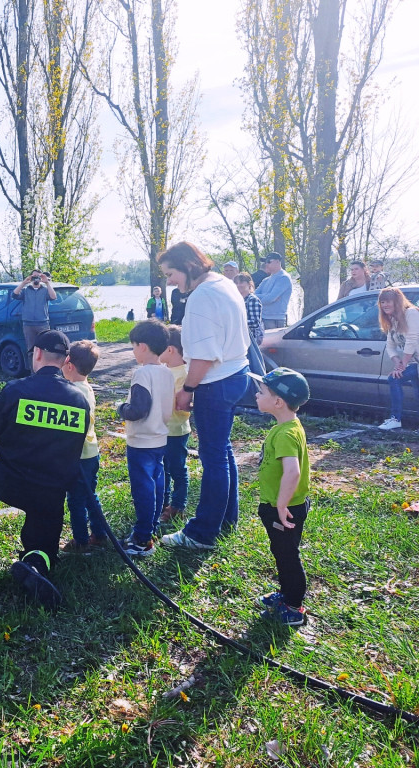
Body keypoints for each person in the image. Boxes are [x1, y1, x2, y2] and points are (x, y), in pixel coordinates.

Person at [0, 329, 91, 610]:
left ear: (36, 354)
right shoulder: (79, 400)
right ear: (65, 361)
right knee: (41, 548)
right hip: (51, 495)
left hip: (10, 483)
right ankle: (35, 565)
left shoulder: (16, 390)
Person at [156, 242, 249, 551]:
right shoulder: (224, 284)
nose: (169, 281)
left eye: (170, 273)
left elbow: (205, 356)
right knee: (222, 452)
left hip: (215, 382)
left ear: (188, 266)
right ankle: (225, 519)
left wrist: (188, 389)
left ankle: (202, 533)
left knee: (213, 459)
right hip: (235, 374)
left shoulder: (202, 297)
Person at [250, 367, 312, 627]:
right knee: (281, 551)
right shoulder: (288, 425)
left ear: (278, 402)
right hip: (283, 506)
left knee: (287, 555)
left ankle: (294, 607)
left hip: (284, 509)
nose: (256, 394)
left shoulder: (286, 433)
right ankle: (286, 594)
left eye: (261, 391)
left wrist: (281, 504)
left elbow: (292, 472)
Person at [116, 319, 173, 556]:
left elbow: (138, 410)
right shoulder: (167, 372)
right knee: (158, 483)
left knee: (143, 490)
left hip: (141, 442)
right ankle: (152, 526)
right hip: (160, 437)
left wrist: (121, 408)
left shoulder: (141, 373)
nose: (133, 350)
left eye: (132, 345)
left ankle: (141, 539)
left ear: (142, 346)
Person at [61, 340, 108, 554]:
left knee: (76, 500)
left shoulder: (71, 393)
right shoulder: (86, 387)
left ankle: (80, 541)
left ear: (68, 363)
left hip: (77, 456)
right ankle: (99, 534)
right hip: (91, 453)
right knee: (90, 495)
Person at [159, 325, 191, 525]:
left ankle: (178, 506)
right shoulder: (164, 371)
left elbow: (182, 407)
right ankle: (163, 503)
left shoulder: (184, 374)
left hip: (176, 430)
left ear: (170, 349)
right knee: (163, 469)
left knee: (177, 469)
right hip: (162, 430)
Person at [377, 287, 419, 430]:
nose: (385, 305)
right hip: (414, 363)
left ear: (397, 302)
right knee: (397, 379)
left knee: (394, 378)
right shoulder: (393, 320)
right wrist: (397, 363)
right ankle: (395, 419)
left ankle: (395, 418)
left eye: (388, 301)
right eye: (382, 302)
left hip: (413, 362)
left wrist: (403, 365)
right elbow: (390, 345)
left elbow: (412, 340)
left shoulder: (411, 313)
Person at [12, 269, 57, 368]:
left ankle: (45, 372)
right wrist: (24, 282)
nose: (36, 278)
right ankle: (33, 373)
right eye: (34, 276)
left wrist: (47, 282)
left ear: (40, 278)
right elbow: (14, 294)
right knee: (31, 350)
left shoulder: (45, 290)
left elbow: (53, 297)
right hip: (28, 325)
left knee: (46, 349)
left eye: (38, 276)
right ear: (31, 278)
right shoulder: (26, 291)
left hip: (43, 324)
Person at [234, 272, 266, 375]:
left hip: (251, 340)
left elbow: (255, 322)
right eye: (236, 283)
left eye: (242, 282)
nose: (239, 285)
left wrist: (235, 322)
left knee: (253, 368)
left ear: (249, 284)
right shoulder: (237, 300)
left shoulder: (252, 300)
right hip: (240, 340)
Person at [254, 253, 294, 329]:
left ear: (277, 262)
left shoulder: (284, 278)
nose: (266, 264)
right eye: (265, 262)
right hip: (262, 317)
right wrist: (267, 295)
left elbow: (270, 299)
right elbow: (253, 296)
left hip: (275, 320)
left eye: (269, 262)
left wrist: (268, 296)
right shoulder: (266, 280)